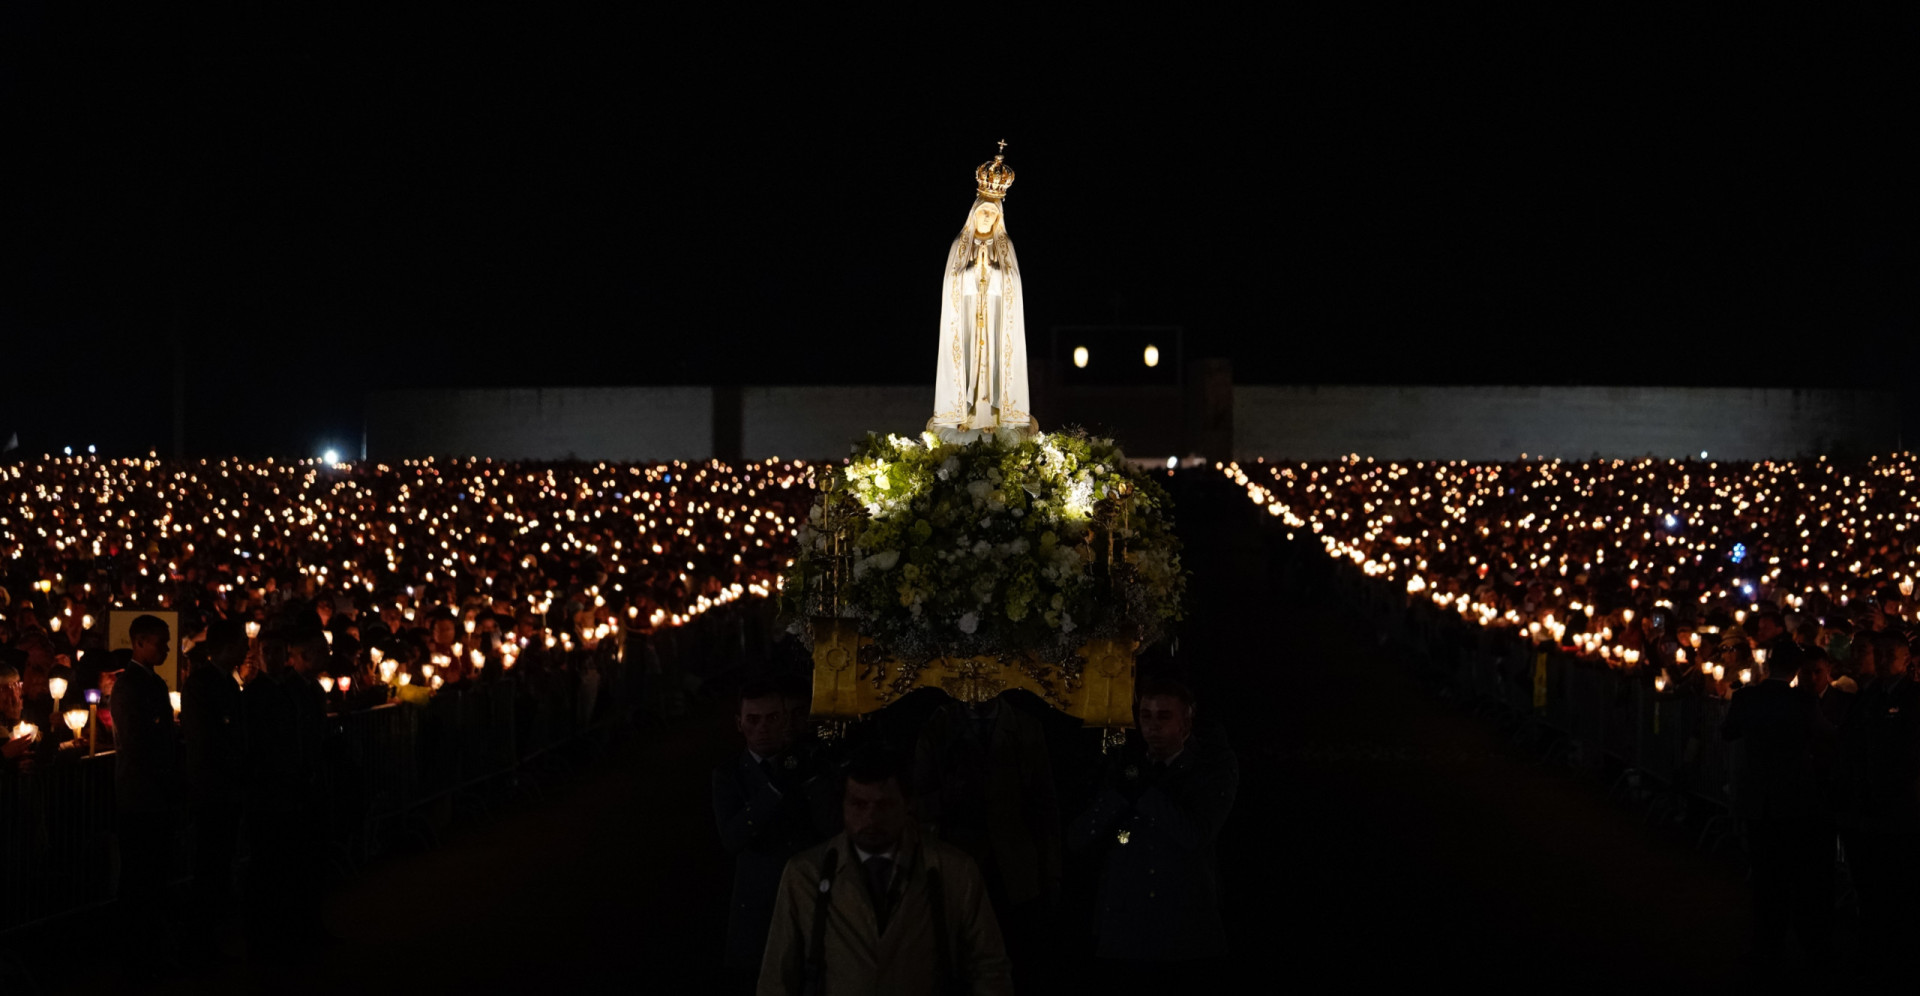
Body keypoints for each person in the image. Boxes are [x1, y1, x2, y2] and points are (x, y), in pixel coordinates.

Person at [758, 752, 1011, 996]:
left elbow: (988, 967)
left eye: (884, 804)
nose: (871, 818)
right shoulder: (806, 875)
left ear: (907, 804)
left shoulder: (952, 871)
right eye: (859, 804)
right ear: (843, 805)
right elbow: (777, 976)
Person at [1069, 677, 1238, 984]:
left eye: (1164, 716)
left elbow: (1195, 835)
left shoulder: (1210, 769)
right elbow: (1080, 835)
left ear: (1186, 722)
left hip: (1182, 926)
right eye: (1145, 716)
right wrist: (1119, 793)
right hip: (1125, 924)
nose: (1152, 726)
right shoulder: (1125, 765)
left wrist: (1143, 792)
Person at [911, 692, 1060, 986]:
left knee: (1017, 960)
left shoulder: (1026, 727)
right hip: (958, 866)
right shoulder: (938, 726)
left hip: (1015, 874)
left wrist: (1050, 877)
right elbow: (915, 805)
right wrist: (948, 797)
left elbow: (1046, 808)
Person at [712, 677, 837, 990]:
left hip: (810, 893)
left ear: (785, 719)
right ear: (739, 723)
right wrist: (774, 789)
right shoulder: (728, 775)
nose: (763, 728)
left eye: (772, 718)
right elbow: (733, 838)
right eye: (753, 720)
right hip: (759, 901)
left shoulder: (811, 764)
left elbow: (832, 827)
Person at [1720, 642, 1834, 969]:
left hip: (1758, 798)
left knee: (1765, 876)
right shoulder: (1803, 701)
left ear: (1768, 665)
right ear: (1797, 669)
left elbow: (1728, 732)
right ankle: (1808, 947)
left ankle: (1766, 946)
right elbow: (1826, 735)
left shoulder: (1746, 697)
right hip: (1795, 799)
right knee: (1797, 875)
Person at [1838, 631, 1920, 979]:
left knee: (1898, 884)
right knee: (1872, 884)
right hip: (1869, 805)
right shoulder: (1869, 695)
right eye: (1880, 654)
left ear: (1906, 660)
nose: (1884, 660)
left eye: (1891, 655)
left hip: (1900, 807)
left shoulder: (1914, 698)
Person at [108, 613, 183, 983]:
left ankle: (149, 952)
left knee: (153, 877)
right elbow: (137, 745)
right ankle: (135, 958)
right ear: (139, 642)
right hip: (141, 797)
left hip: (155, 794)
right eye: (160, 642)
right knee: (140, 879)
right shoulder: (129, 687)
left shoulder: (151, 684)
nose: (166, 648)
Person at [180, 619, 250, 938]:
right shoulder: (202, 683)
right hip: (212, 787)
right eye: (242, 643)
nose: (248, 649)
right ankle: (202, 931)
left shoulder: (227, 682)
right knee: (211, 859)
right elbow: (205, 738)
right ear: (226, 646)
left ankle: (214, 925)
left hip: (226, 785)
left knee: (221, 857)